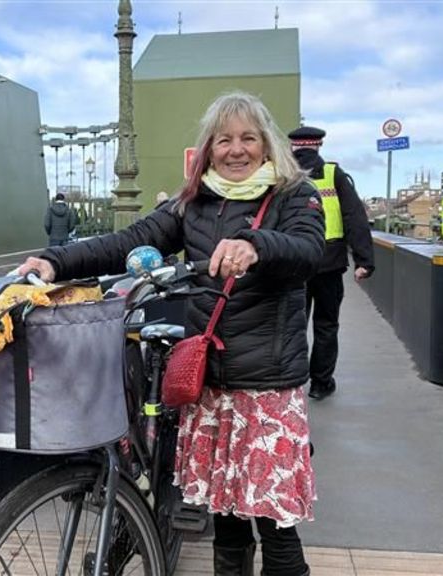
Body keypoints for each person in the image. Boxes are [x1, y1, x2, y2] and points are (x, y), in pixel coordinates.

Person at [18, 91, 324, 576]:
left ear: (267, 146)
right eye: (224, 140)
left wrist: (255, 244)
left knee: (273, 520)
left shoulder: (295, 195)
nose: (236, 150)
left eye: (248, 138)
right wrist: (56, 260)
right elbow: (130, 240)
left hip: (267, 387)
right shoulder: (193, 203)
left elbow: (310, 251)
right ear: (209, 149)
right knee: (226, 514)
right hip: (211, 382)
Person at [288, 126, 374, 401]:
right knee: (326, 325)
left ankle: (290, 383)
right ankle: (320, 383)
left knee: (291, 324)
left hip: (294, 263)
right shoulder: (333, 174)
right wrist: (364, 261)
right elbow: (355, 217)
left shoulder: (282, 174)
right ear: (319, 146)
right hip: (329, 263)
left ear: (293, 147)